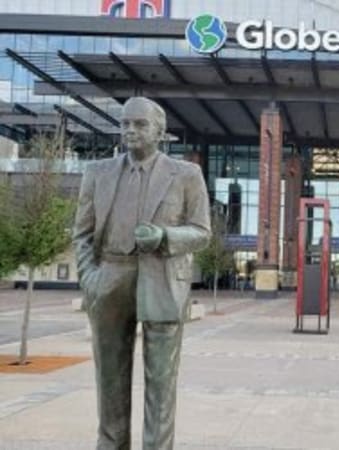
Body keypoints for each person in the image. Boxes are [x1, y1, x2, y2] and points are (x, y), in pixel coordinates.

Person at [72, 97, 210, 449]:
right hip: (109, 278)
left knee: (161, 384)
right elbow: (82, 234)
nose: (130, 130)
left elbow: (201, 232)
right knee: (110, 380)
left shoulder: (186, 175)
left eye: (140, 124)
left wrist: (165, 236)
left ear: (160, 132)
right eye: (125, 124)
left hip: (161, 280)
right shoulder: (97, 173)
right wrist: (90, 279)